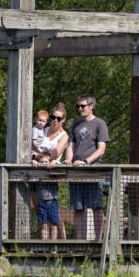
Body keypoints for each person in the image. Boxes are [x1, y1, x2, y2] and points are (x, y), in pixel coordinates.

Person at [65, 94, 109, 240]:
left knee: (96, 206)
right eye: (78, 106)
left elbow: (101, 149)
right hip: (75, 171)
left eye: (82, 106)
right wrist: (68, 160)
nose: (79, 108)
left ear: (91, 107)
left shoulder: (100, 124)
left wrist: (86, 161)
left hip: (92, 170)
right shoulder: (76, 125)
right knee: (78, 208)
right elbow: (70, 145)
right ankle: (78, 241)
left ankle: (98, 240)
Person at [32, 103, 70, 239]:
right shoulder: (44, 129)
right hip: (36, 171)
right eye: (53, 117)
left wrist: (39, 155)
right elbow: (32, 146)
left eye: (58, 118)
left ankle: (62, 242)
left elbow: (55, 153)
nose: (55, 120)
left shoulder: (64, 135)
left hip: (50, 173)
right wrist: (35, 157)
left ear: (63, 120)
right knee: (39, 211)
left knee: (54, 213)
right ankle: (43, 242)